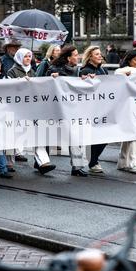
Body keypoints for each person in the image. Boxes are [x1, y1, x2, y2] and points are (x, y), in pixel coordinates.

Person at [7, 48, 56, 175]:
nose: (28, 59)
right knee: (12, 135)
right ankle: (9, 162)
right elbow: (8, 88)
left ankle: (43, 162)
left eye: (30, 56)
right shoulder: (12, 72)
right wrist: (21, 82)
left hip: (31, 109)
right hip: (16, 108)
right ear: (19, 58)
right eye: (26, 56)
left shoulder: (32, 72)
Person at [47, 45, 89, 177]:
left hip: (73, 109)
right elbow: (44, 82)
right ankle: (41, 161)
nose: (78, 57)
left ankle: (77, 166)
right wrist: (51, 77)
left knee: (76, 136)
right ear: (68, 57)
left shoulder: (77, 70)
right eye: (75, 55)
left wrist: (86, 79)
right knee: (46, 136)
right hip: (58, 110)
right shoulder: (54, 69)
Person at [114, 50, 136, 173]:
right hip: (125, 106)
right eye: (135, 60)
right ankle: (134, 162)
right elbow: (117, 76)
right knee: (133, 133)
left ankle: (122, 162)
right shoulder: (122, 71)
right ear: (129, 60)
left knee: (130, 134)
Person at [79, 46, 109, 174]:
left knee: (106, 136)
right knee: (95, 135)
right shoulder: (85, 70)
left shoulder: (103, 70)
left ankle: (93, 159)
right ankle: (93, 161)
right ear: (90, 56)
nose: (100, 56)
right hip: (91, 108)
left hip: (103, 107)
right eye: (97, 54)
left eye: (100, 54)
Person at [0, 39, 27, 163]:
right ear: (7, 48)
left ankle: (18, 151)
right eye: (13, 47)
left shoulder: (23, 62)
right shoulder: (3, 60)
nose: (15, 50)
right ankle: (9, 159)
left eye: (17, 48)